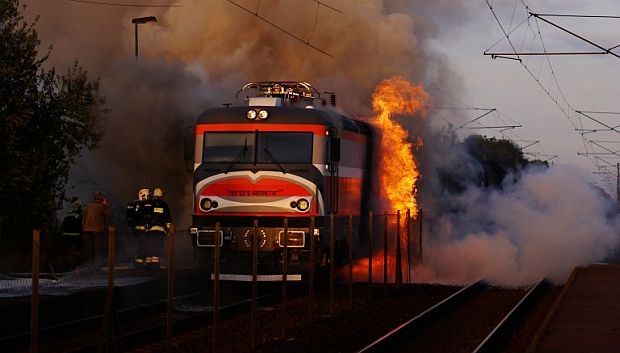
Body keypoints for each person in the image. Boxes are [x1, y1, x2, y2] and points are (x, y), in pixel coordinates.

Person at [143, 187, 172, 269]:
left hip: (149, 230)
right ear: (161, 195)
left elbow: (145, 216)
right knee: (158, 246)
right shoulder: (164, 205)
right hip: (160, 231)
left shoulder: (148, 204)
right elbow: (167, 219)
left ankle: (148, 264)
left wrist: (146, 225)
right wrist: (169, 229)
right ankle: (155, 265)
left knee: (148, 245)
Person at [83, 191, 112, 262]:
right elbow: (109, 213)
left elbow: (84, 219)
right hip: (97, 231)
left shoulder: (88, 206)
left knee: (90, 251)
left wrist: (84, 229)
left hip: (87, 231)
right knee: (98, 251)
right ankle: (97, 268)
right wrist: (106, 204)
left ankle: (89, 267)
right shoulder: (101, 206)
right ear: (100, 198)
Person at [127, 188, 150, 267]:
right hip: (144, 231)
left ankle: (139, 263)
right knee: (144, 246)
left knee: (141, 246)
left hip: (137, 231)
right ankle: (143, 263)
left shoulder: (135, 205)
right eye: (148, 195)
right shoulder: (145, 205)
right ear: (144, 195)